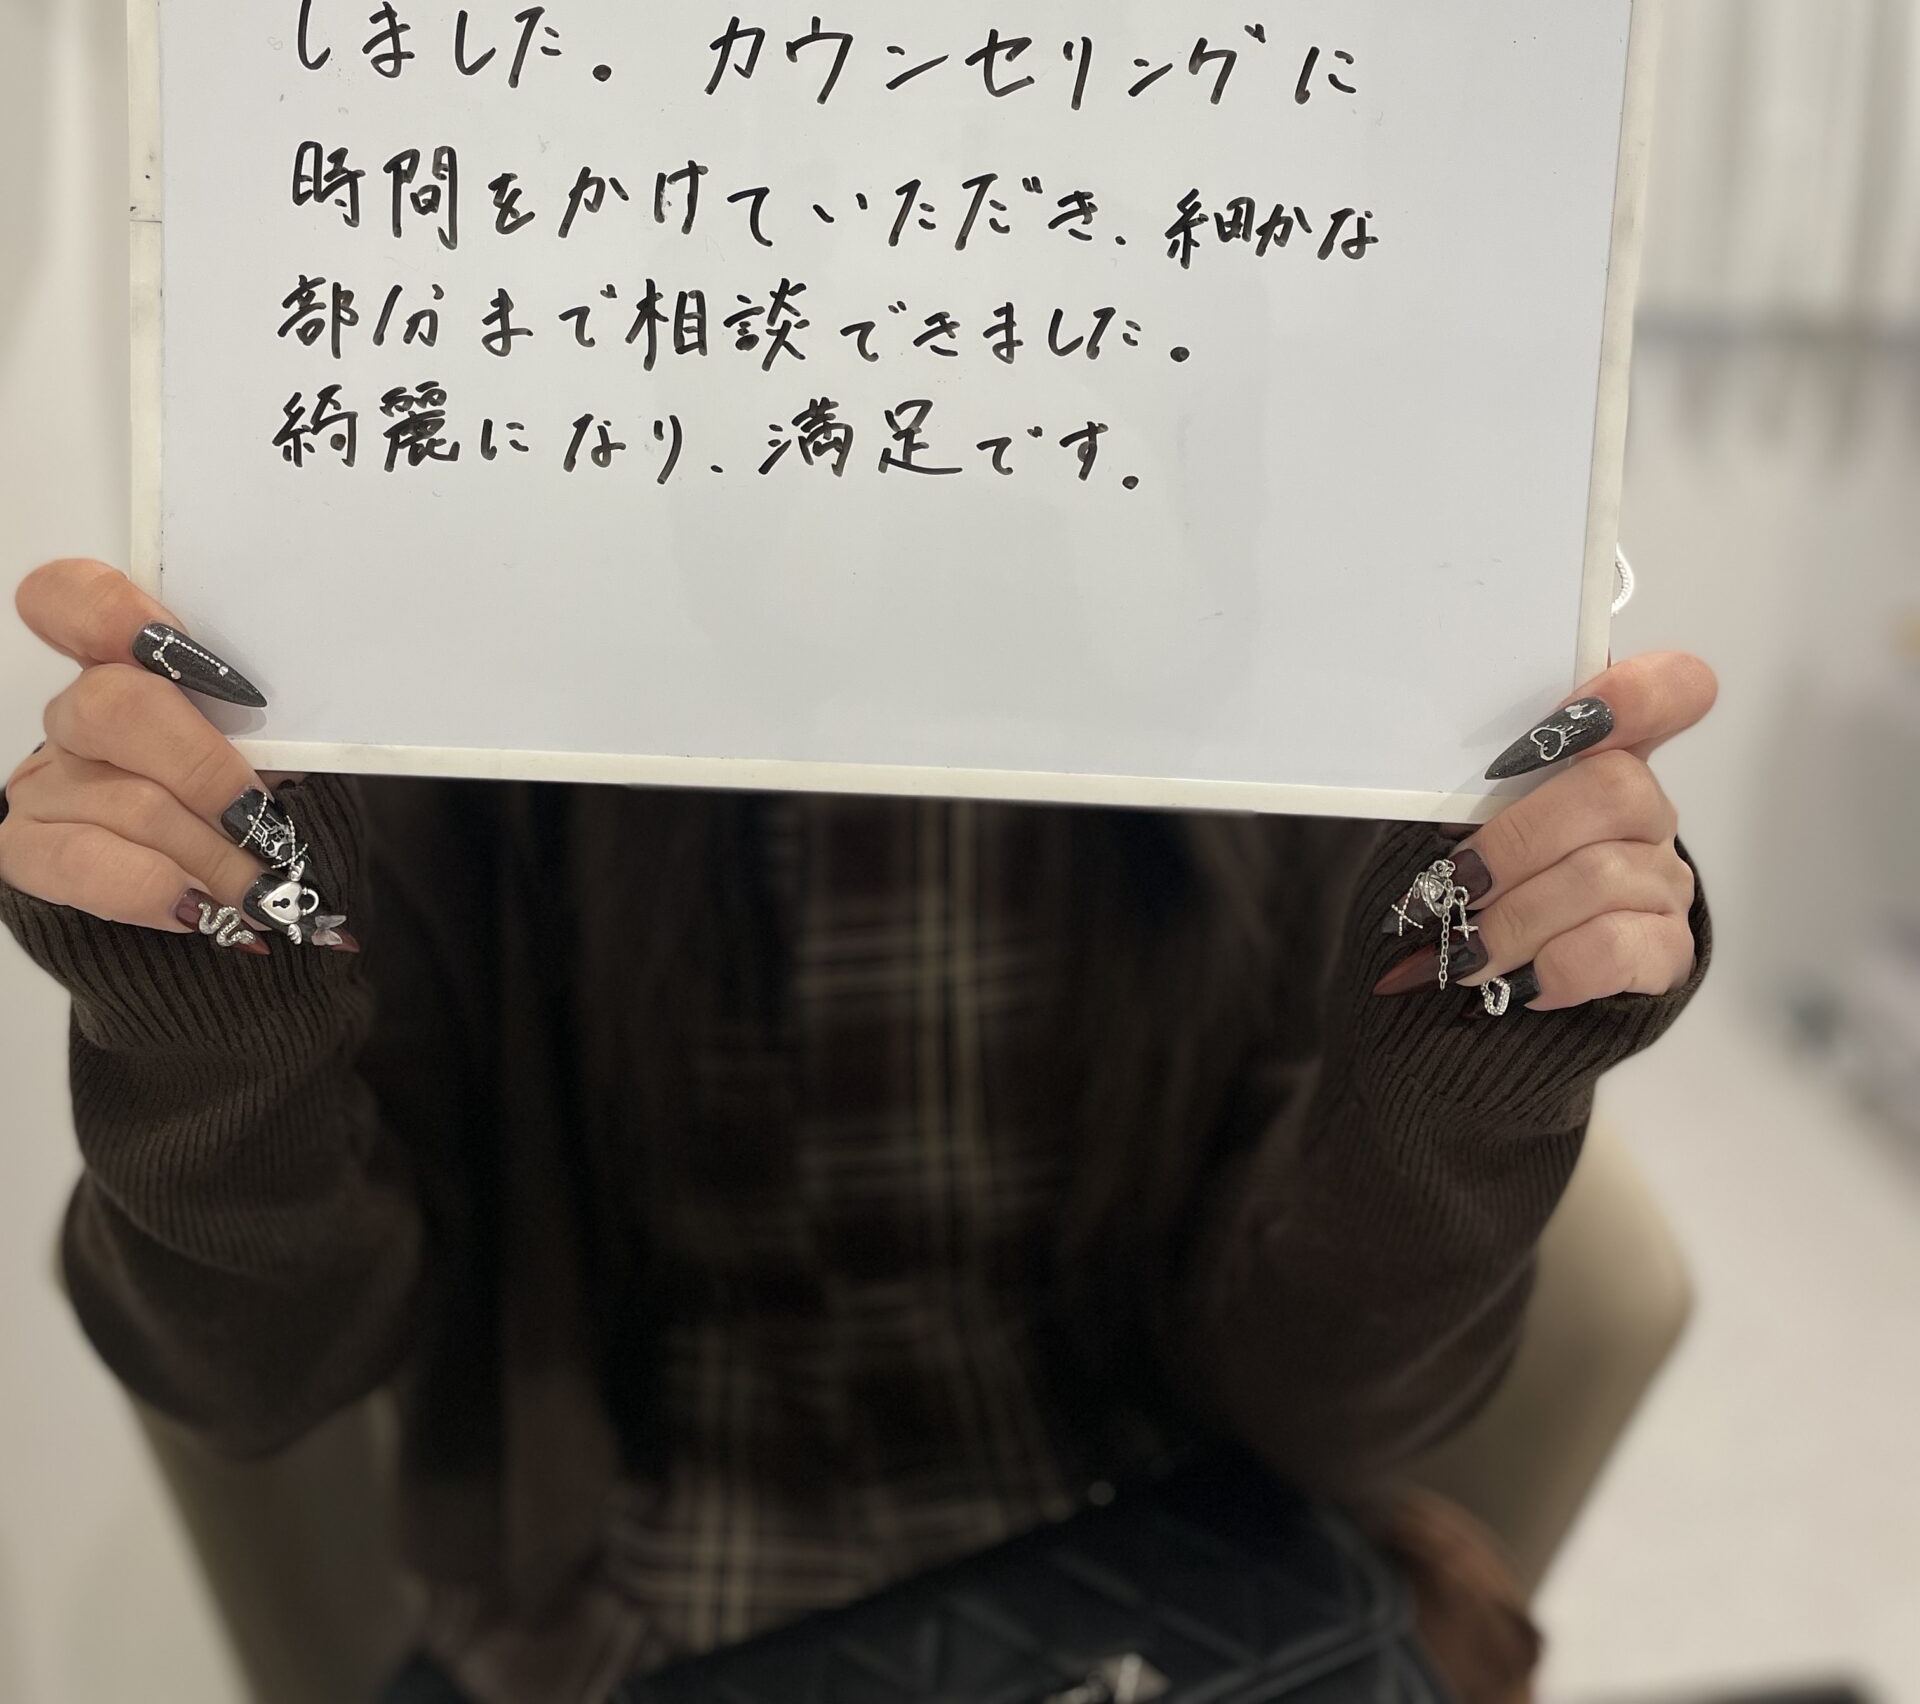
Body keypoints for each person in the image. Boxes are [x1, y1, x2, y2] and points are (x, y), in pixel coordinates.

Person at [0, 557, 1713, 1704]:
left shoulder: (1269, 684)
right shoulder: (449, 686)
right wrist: (200, 1027)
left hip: (1155, 1578)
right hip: (612, 1614)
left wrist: (1459, 1073)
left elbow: (1330, 1409)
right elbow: (250, 1374)